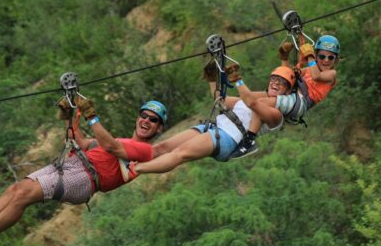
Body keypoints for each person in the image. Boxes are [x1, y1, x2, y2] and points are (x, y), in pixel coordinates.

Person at [0, 98, 168, 246]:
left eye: (153, 119)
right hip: (74, 164)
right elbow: (81, 141)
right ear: (137, 117)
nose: (146, 121)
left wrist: (92, 117)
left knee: (24, 196)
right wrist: (70, 115)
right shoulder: (120, 140)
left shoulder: (146, 151)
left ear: (158, 128)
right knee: (16, 190)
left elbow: (110, 145)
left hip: (86, 179)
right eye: (144, 115)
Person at [121, 61, 295, 178]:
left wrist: (238, 81)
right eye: (274, 79)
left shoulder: (276, 115)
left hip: (228, 138)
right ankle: (128, 158)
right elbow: (220, 100)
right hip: (213, 128)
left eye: (282, 83)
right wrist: (213, 79)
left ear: (287, 92)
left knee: (179, 154)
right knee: (162, 147)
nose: (276, 83)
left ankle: (135, 169)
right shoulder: (247, 100)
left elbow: (253, 103)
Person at [230, 35, 340, 158]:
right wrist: (285, 58)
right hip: (292, 96)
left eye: (330, 57)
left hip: (300, 102)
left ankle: (249, 141)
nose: (326, 60)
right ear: (317, 55)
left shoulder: (331, 74)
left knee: (260, 103)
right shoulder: (309, 69)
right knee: (248, 98)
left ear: (335, 60)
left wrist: (310, 56)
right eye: (322, 56)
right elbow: (289, 75)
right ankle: (232, 123)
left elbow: (317, 76)